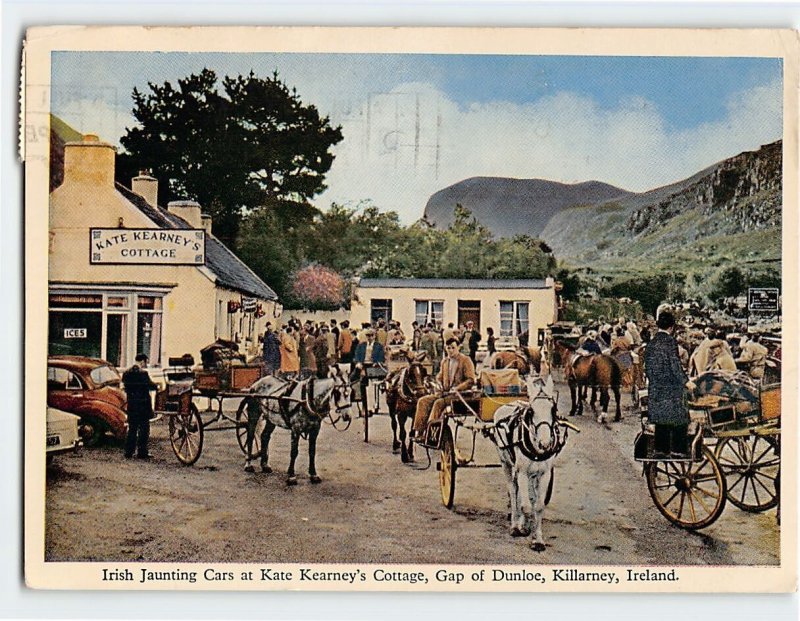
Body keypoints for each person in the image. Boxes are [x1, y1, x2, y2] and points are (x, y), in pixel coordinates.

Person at [644, 311, 694, 457]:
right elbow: (675, 366)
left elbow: (647, 368)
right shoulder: (670, 342)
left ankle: (661, 450)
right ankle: (678, 450)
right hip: (671, 389)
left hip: (655, 389)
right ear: (672, 328)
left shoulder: (651, 344)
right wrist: (686, 382)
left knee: (661, 420)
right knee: (680, 417)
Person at [412, 338, 476, 441]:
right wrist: (438, 383)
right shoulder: (445, 361)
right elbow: (439, 376)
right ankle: (419, 432)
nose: (450, 350)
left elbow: (471, 380)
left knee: (438, 403)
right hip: (445, 393)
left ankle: (432, 433)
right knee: (423, 401)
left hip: (459, 395)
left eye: (453, 348)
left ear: (458, 348)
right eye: (448, 348)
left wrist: (457, 388)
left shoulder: (465, 360)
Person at [122, 353, 158, 459]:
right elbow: (151, 386)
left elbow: (125, 386)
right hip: (143, 405)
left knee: (132, 429)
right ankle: (142, 452)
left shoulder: (126, 373)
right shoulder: (143, 374)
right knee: (144, 429)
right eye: (145, 362)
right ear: (142, 361)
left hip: (132, 405)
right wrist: (158, 386)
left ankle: (128, 452)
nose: (145, 365)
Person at [353, 328, 386, 414]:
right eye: (368, 336)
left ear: (374, 336)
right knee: (354, 379)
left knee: (374, 384)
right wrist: (358, 363)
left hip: (373, 366)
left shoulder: (378, 346)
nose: (369, 337)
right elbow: (357, 355)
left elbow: (381, 357)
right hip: (363, 366)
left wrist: (377, 362)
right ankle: (360, 401)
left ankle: (375, 404)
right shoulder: (362, 345)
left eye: (371, 335)